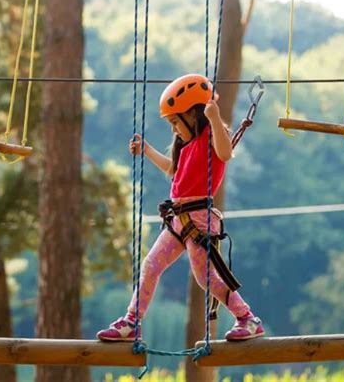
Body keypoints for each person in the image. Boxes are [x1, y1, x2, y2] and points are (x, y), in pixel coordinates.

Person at [97, 74, 264, 342]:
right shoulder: (187, 147)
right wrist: (147, 150)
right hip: (179, 220)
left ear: (194, 115)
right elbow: (173, 171)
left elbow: (225, 153)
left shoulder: (212, 135)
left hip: (198, 220)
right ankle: (132, 322)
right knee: (150, 265)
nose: (174, 129)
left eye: (176, 121)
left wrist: (213, 117)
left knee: (206, 278)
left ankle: (248, 318)